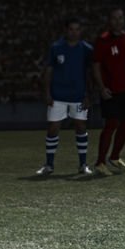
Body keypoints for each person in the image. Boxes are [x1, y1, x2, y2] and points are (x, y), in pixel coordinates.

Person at [36, 17, 94, 177]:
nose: (74, 32)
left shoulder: (86, 49)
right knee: (53, 129)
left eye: (77, 29)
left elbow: (90, 73)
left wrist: (88, 95)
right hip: (58, 96)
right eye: (71, 29)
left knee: (81, 127)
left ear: (80, 31)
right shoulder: (56, 47)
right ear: (66, 30)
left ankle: (83, 165)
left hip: (78, 96)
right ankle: (49, 165)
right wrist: (47, 93)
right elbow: (48, 71)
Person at [93, 8, 125, 176]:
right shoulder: (103, 41)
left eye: (120, 18)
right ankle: (100, 162)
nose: (118, 21)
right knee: (111, 124)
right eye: (114, 18)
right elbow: (95, 66)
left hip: (124, 88)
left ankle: (115, 157)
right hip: (110, 90)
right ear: (109, 21)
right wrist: (101, 88)